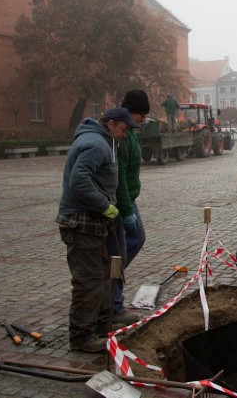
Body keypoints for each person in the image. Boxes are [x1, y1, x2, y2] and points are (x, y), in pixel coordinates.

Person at [56, 107, 139, 353]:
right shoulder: (95, 144)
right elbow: (79, 180)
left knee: (104, 275)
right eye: (123, 129)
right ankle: (81, 338)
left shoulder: (104, 141)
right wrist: (105, 206)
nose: (124, 135)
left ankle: (103, 326)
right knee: (89, 282)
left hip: (93, 222)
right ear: (111, 124)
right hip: (81, 223)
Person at [106, 90, 150, 326]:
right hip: (122, 203)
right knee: (117, 254)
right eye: (141, 114)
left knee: (135, 241)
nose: (143, 119)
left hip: (129, 200)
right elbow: (119, 176)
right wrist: (126, 209)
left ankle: (111, 283)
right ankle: (113, 305)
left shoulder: (130, 132)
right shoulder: (122, 136)